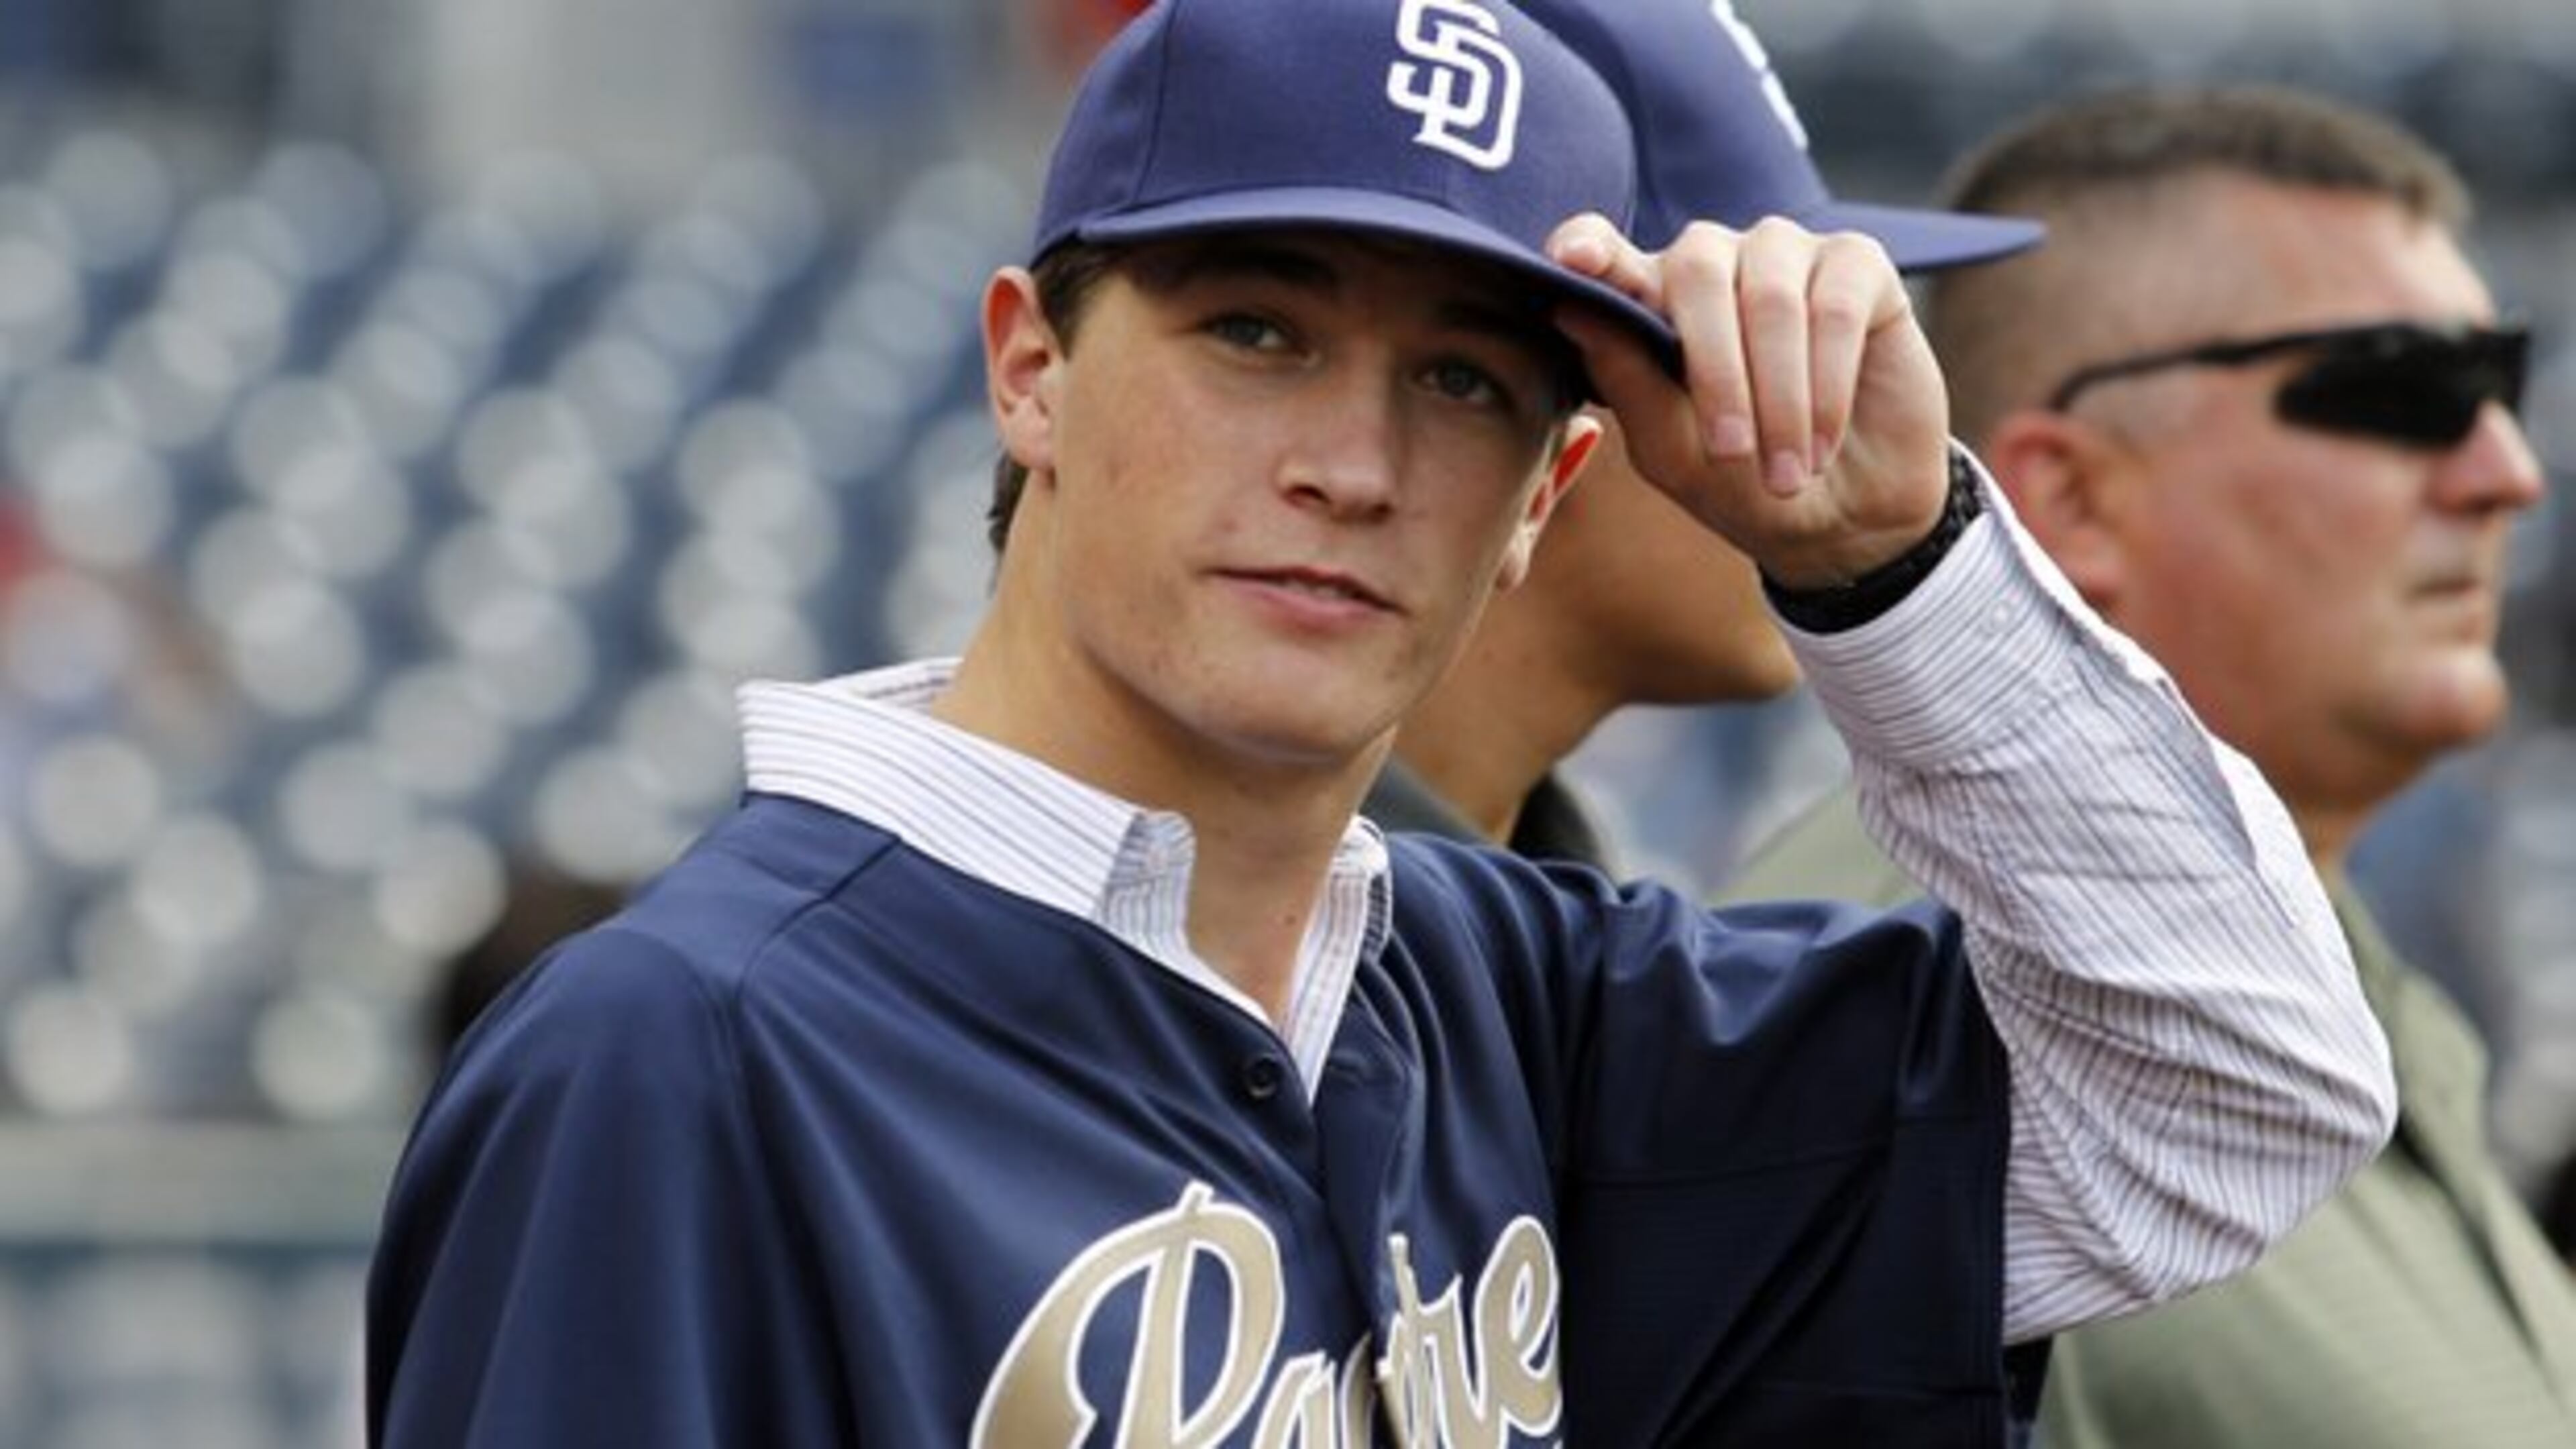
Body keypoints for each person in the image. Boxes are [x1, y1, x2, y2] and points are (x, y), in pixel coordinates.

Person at [366, 5, 2394, 1445]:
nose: (1355, 459)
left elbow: (2233, 1107)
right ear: (1031, 371)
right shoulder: (680, 1048)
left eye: (1462, 382)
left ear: (1549, 491)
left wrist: (1890, 557)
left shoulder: (1517, 988)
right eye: (1258, 329)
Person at [1723, 84, 2576, 1447]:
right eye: (2410, 388)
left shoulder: (2374, 975)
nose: (2506, 471)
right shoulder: (1894, 985)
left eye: (2507, 385)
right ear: (2068, 496)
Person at [1364, 0, 2041, 872]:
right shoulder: (1229, 932)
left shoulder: (1572, 924)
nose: (1825, 425)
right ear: (1570, 377)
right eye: (1748, 334)